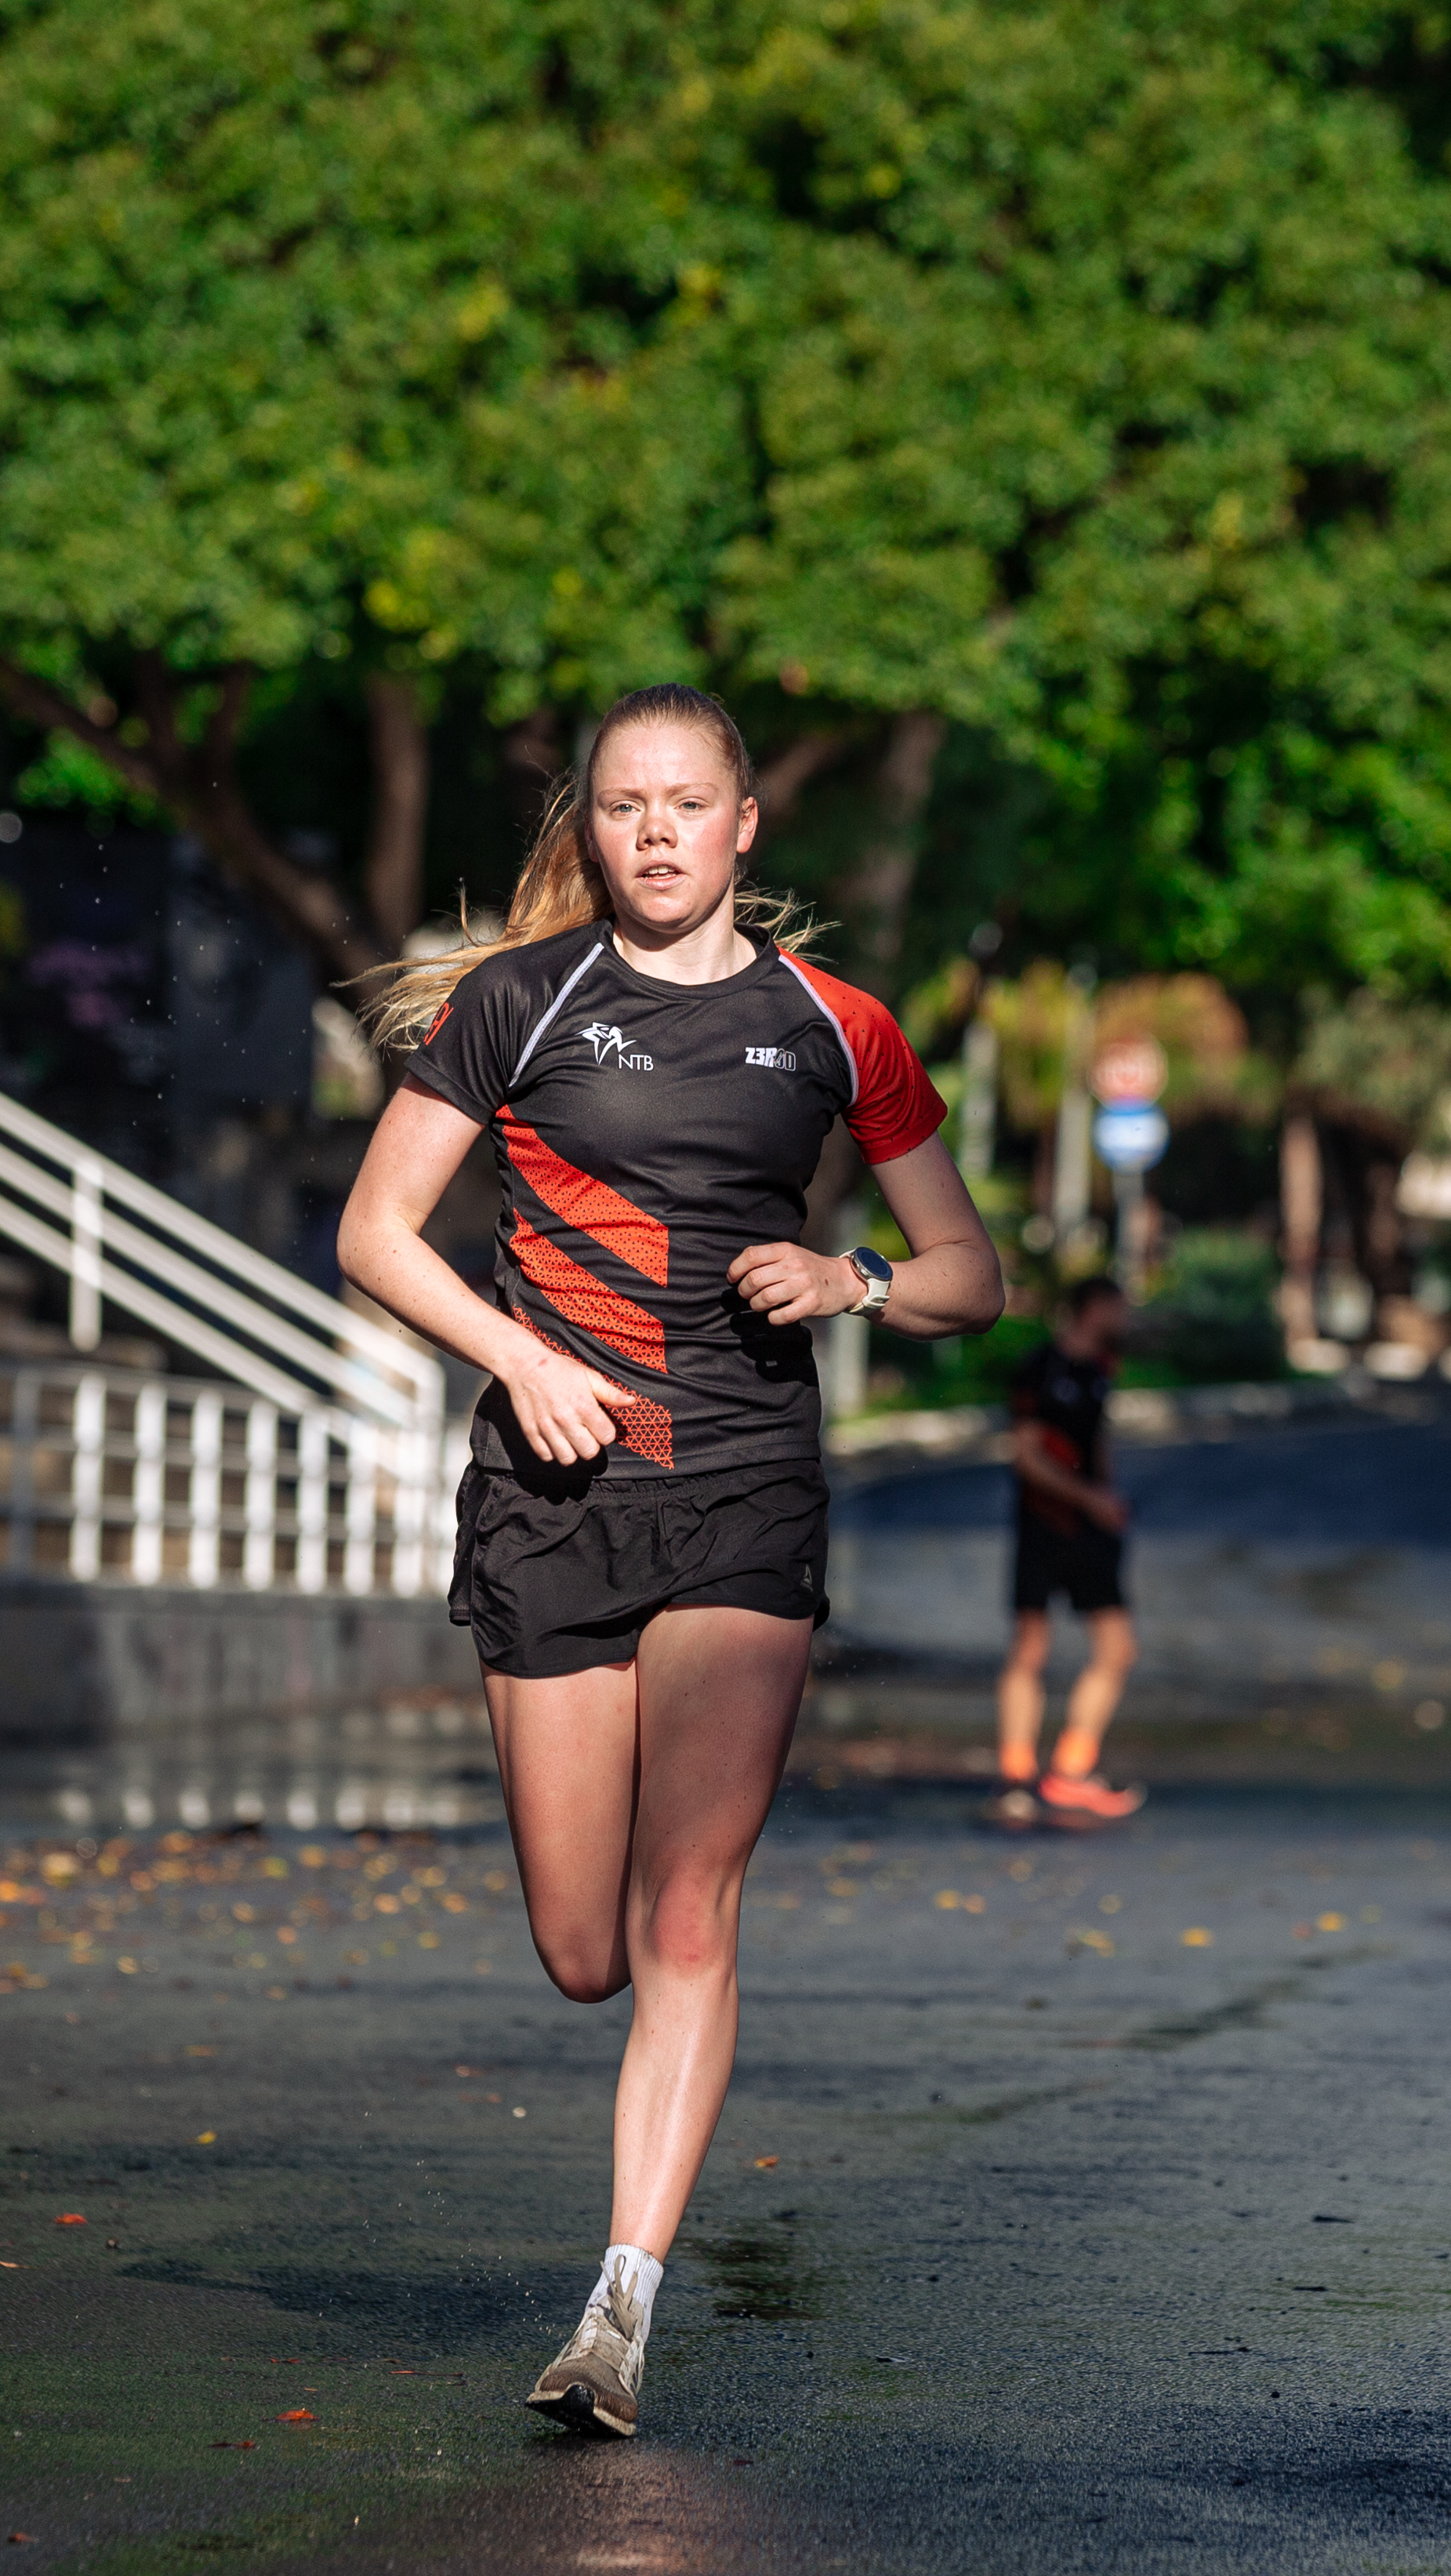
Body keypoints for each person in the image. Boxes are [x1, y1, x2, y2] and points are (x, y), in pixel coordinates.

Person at [337, 684, 999, 2440]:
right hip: (556, 1490)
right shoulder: (516, 1003)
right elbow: (374, 1232)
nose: (654, 832)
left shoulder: (835, 1026)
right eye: (625, 804)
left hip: (744, 1488)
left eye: (686, 803)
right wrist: (524, 1357)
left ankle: (618, 2315)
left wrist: (852, 1283)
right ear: (599, 824)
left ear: (743, 825)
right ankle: (621, 2163)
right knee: (585, 1947)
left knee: (689, 1908)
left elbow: (966, 1272)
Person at [995, 1277, 1144, 1824]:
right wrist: (1089, 1497)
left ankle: (1070, 1772)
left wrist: (1110, 1498)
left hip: (1093, 1530)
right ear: (1095, 1308)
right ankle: (1016, 1777)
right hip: (1042, 1526)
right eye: (1120, 1307)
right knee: (1030, 1648)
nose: (1126, 1319)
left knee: (1117, 1650)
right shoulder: (1039, 1368)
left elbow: (1097, 1441)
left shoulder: (1101, 1370)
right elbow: (1028, 1459)